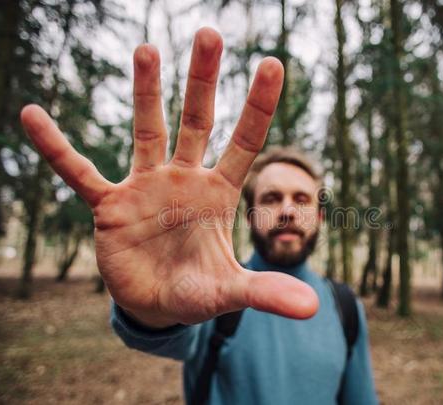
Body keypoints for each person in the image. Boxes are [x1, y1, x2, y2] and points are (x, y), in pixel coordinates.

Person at [20, 27, 378, 405]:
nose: (288, 210)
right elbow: (170, 333)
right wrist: (150, 311)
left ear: (320, 216)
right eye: (272, 198)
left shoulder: (345, 307)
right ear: (251, 214)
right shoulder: (215, 291)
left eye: (302, 200)